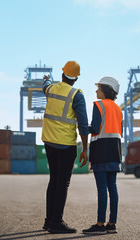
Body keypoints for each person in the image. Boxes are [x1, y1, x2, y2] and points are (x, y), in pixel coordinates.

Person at [41, 61, 89, 234]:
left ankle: (48, 221)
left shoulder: (51, 89)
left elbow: (45, 85)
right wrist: (85, 148)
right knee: (62, 183)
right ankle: (56, 222)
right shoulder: (77, 95)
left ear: (62, 74)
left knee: (53, 180)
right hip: (66, 145)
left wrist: (46, 79)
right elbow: (83, 125)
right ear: (76, 78)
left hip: (49, 142)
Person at [81, 77, 122, 235]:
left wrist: (83, 125)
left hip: (101, 150)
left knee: (101, 189)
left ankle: (99, 224)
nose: (96, 91)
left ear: (106, 90)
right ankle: (111, 224)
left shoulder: (98, 105)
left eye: (98, 88)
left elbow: (96, 128)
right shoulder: (118, 109)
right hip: (115, 150)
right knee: (113, 188)